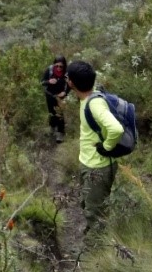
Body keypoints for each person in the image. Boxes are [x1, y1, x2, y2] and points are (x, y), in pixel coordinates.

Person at [66, 60, 124, 239]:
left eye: (68, 77)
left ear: (71, 83)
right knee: (89, 204)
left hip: (97, 167)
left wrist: (106, 148)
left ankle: (97, 253)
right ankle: (94, 234)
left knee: (95, 214)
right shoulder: (90, 98)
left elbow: (116, 129)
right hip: (90, 163)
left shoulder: (94, 104)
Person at [40, 55, 69, 143]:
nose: (59, 68)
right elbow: (42, 82)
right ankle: (52, 128)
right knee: (51, 112)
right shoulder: (49, 70)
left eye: (61, 66)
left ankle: (60, 132)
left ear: (64, 65)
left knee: (60, 113)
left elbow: (69, 85)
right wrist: (49, 81)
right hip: (50, 95)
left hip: (60, 96)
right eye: (57, 66)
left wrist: (65, 92)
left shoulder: (66, 73)